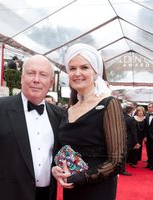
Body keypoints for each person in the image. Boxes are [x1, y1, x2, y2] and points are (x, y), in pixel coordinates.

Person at [0, 55, 63, 200]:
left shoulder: (58, 114)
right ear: (21, 77)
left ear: (50, 82)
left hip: (45, 195)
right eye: (31, 73)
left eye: (43, 75)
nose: (36, 79)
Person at [52, 43, 126, 200]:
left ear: (95, 71)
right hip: (71, 189)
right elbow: (61, 150)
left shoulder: (109, 103)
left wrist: (79, 178)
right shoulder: (68, 110)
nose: (77, 73)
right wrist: (56, 169)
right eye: (72, 68)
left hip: (99, 190)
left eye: (84, 67)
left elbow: (117, 162)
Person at [145, 102, 153, 170]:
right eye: (148, 107)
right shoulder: (147, 115)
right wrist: (145, 136)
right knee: (148, 151)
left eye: (150, 107)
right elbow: (146, 127)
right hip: (148, 137)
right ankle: (149, 164)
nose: (148, 108)